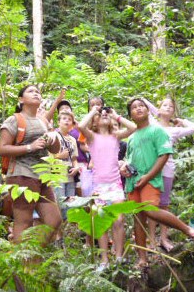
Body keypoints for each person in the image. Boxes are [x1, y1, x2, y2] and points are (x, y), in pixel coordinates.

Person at [120, 98, 194, 267]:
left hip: (150, 179)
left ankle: (188, 230)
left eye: (141, 105)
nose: (139, 108)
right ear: (131, 115)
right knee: (138, 219)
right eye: (134, 108)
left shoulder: (157, 131)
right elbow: (129, 159)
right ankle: (142, 259)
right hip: (133, 182)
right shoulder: (133, 137)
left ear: (148, 110)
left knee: (151, 210)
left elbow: (164, 154)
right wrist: (124, 168)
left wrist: (148, 176)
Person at [0, 85, 61, 244]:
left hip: (43, 176)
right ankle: (23, 262)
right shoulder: (14, 120)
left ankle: (34, 254)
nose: (36, 93)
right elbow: (0, 149)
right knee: (23, 221)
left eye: (38, 92)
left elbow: (55, 149)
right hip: (21, 175)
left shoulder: (43, 121)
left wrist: (54, 139)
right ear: (21, 100)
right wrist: (29, 147)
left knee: (55, 220)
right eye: (31, 91)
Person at [79, 105, 136, 271]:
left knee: (118, 220)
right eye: (101, 115)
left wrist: (116, 116)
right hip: (99, 186)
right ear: (95, 122)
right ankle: (104, 260)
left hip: (115, 184)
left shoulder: (115, 136)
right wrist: (93, 111)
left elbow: (132, 127)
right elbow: (81, 126)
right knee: (102, 222)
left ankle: (119, 256)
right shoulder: (92, 137)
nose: (104, 115)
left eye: (106, 115)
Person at [144, 97, 194, 252]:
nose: (168, 107)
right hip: (152, 169)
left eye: (171, 106)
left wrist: (180, 120)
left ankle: (163, 238)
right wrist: (158, 112)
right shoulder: (153, 123)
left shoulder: (175, 130)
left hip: (167, 170)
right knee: (152, 206)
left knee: (164, 204)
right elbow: (142, 102)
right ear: (158, 108)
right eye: (165, 105)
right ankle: (151, 240)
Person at [53, 111, 80, 218]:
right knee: (59, 204)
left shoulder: (73, 139)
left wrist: (76, 167)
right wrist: (59, 156)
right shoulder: (52, 136)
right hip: (57, 176)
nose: (67, 121)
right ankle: (59, 232)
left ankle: (67, 230)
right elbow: (46, 157)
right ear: (58, 121)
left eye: (69, 120)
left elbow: (74, 158)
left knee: (70, 204)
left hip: (70, 176)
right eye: (64, 118)